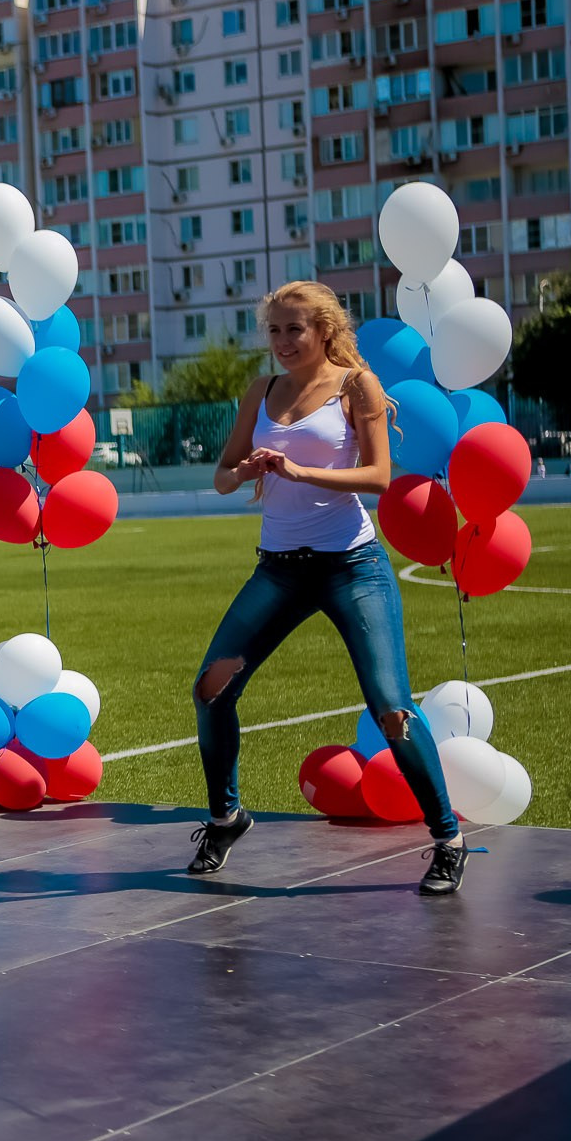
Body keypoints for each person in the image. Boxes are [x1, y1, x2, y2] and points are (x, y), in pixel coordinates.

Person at [191, 281, 467, 894]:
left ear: (324, 331)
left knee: (391, 709)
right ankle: (225, 817)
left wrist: (298, 469)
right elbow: (220, 478)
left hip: (352, 567)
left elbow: (379, 476)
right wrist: (246, 469)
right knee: (210, 691)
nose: (284, 342)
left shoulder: (355, 386)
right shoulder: (259, 392)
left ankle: (448, 838)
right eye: (275, 331)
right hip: (279, 569)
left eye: (296, 330)